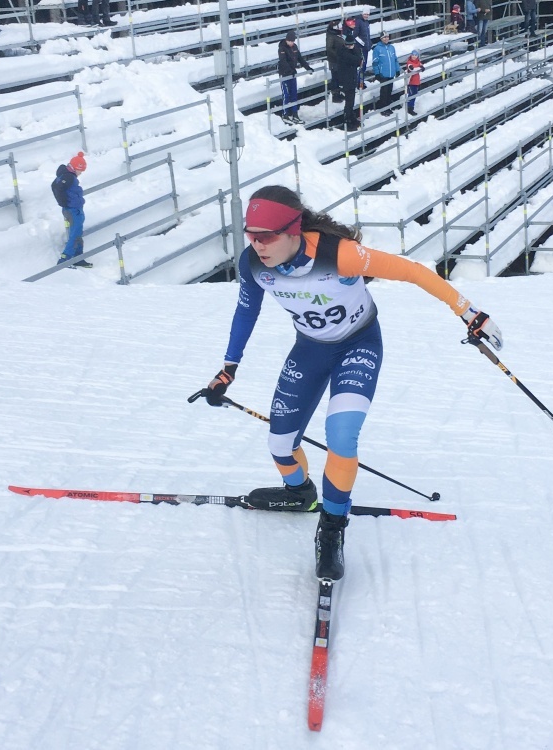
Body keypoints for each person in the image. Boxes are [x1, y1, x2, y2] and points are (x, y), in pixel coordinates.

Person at [202, 185, 503, 581]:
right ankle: (299, 494)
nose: (258, 244)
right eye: (251, 235)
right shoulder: (253, 265)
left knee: (341, 436)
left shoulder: (338, 254)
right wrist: (229, 367)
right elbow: (245, 313)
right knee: (279, 444)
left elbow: (412, 271)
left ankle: (331, 528)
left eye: (267, 235)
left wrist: (469, 311)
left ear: (293, 230)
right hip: (310, 350)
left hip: (358, 345)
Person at [51, 152, 92, 268]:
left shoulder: (68, 175)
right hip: (72, 210)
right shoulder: (67, 177)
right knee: (74, 235)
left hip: (76, 209)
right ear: (75, 168)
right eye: (80, 170)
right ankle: (65, 259)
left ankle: (78, 257)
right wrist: (64, 203)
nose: (81, 173)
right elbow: (56, 187)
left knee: (78, 234)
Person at [278, 31, 313, 126]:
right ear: (286, 40)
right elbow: (283, 61)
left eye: (292, 41)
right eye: (290, 41)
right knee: (286, 95)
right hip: (285, 74)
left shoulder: (295, 47)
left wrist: (307, 67)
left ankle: (294, 114)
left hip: (292, 74)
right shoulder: (282, 48)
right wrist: (290, 70)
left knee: (294, 94)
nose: (291, 43)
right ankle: (285, 114)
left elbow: (300, 59)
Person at [335, 26, 363, 130]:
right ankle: (347, 119)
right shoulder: (343, 52)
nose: (351, 46)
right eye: (349, 45)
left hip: (352, 78)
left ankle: (351, 117)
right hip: (346, 80)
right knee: (349, 101)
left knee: (351, 100)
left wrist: (357, 56)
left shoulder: (352, 50)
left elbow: (359, 57)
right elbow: (355, 60)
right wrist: (357, 59)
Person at [371, 31, 400, 114]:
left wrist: (397, 70)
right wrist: (377, 73)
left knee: (389, 92)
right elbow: (375, 62)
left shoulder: (392, 47)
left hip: (391, 74)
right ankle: (383, 109)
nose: (386, 38)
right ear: (381, 38)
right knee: (384, 92)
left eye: (387, 37)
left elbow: (395, 60)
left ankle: (388, 107)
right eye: (384, 37)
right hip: (383, 74)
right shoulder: (377, 49)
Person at [325, 20, 344, 103]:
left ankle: (339, 93)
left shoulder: (337, 35)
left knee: (338, 77)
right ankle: (335, 95)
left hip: (338, 60)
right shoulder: (331, 36)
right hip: (334, 61)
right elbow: (329, 48)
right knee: (335, 78)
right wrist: (338, 55)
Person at [354, 9, 372, 88]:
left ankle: (361, 82)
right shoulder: (358, 22)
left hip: (366, 48)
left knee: (364, 66)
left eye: (368, 14)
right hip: (361, 48)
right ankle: (359, 83)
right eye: (365, 14)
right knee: (361, 66)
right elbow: (355, 35)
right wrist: (363, 44)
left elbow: (367, 35)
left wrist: (369, 43)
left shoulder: (366, 23)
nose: (366, 16)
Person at [404, 50, 424, 116]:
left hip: (416, 82)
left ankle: (411, 107)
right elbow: (412, 69)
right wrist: (419, 68)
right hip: (411, 82)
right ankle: (409, 108)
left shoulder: (418, 62)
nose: (414, 56)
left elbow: (422, 67)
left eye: (415, 55)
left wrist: (421, 67)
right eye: (413, 55)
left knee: (414, 95)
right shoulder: (409, 62)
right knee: (411, 95)